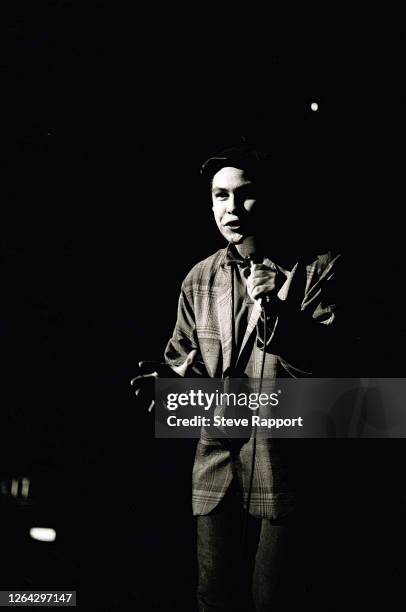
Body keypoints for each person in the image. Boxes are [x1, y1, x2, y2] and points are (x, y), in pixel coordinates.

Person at [132, 144, 348, 611]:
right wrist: (166, 385)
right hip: (216, 468)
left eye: (245, 195)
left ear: (270, 198)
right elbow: (182, 362)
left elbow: (335, 373)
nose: (231, 209)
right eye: (220, 196)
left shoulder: (317, 269)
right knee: (213, 599)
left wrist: (281, 314)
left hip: (285, 468)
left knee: (274, 599)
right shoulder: (198, 280)